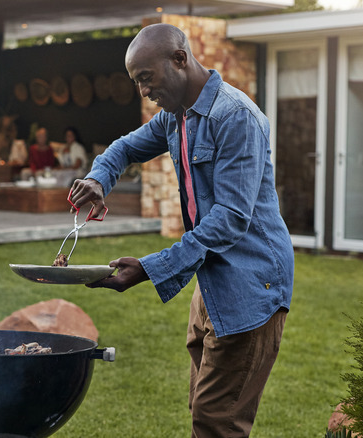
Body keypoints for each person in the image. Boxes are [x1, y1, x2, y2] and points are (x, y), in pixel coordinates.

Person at [69, 23, 293, 437]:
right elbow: (124, 147)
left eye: (146, 79)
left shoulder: (235, 117)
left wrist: (151, 268)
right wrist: (100, 179)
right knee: (204, 406)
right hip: (211, 282)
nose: (143, 92)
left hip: (251, 283)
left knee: (216, 420)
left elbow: (229, 219)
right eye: (137, 82)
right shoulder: (177, 118)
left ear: (179, 59)